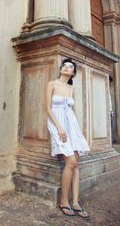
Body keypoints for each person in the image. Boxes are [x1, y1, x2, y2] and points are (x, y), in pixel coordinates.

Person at [45, 58, 90, 219]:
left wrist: (75, 131)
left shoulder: (72, 89)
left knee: (76, 164)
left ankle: (76, 202)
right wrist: (59, 128)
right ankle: (64, 201)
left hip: (72, 126)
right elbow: (47, 108)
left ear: (73, 72)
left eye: (70, 66)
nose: (66, 67)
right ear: (61, 69)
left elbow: (72, 112)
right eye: (64, 65)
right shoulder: (52, 84)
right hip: (57, 125)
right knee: (70, 162)